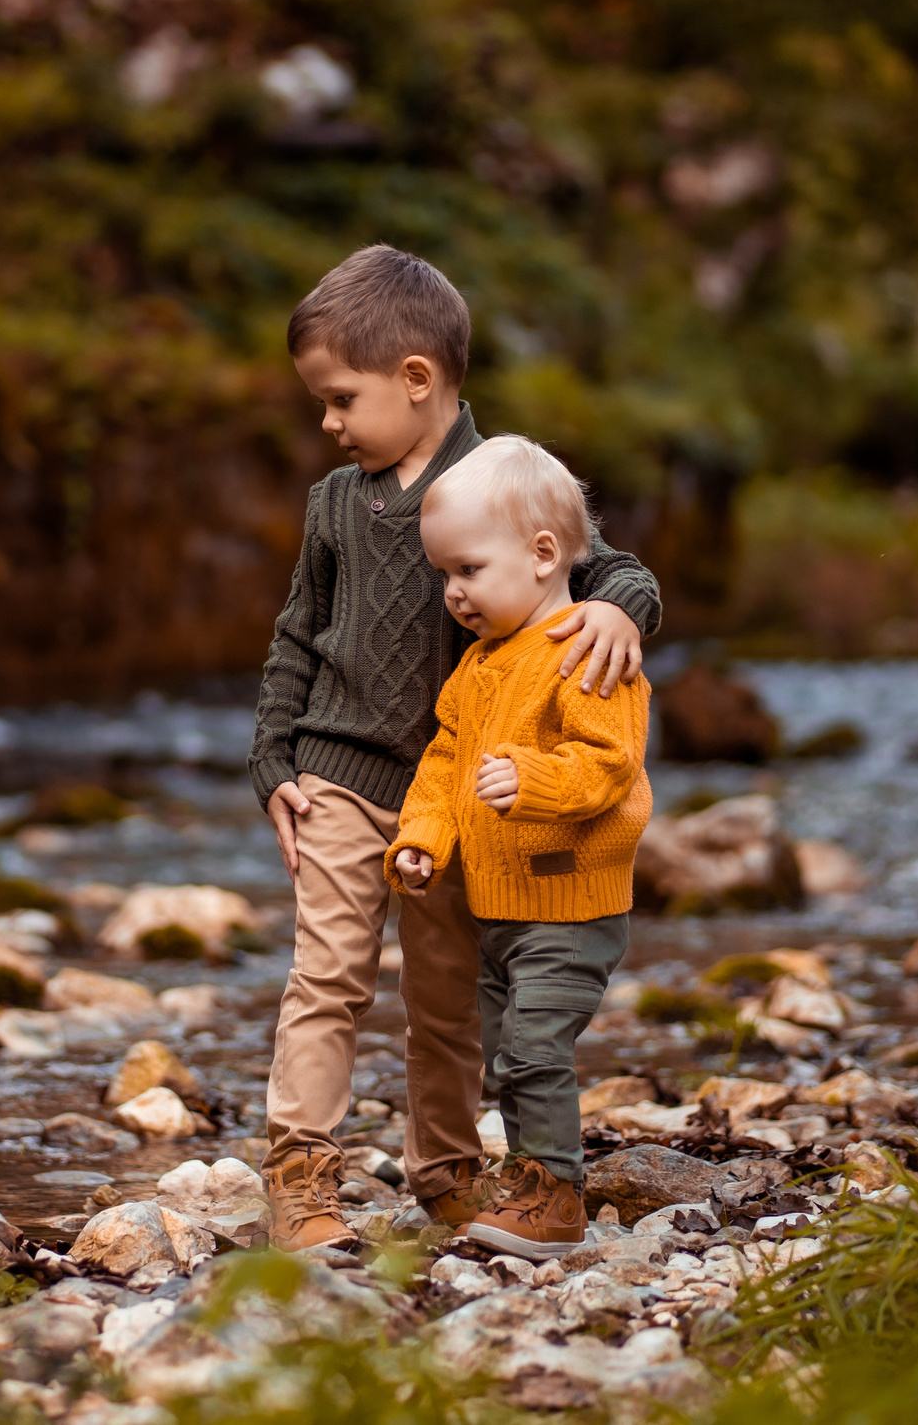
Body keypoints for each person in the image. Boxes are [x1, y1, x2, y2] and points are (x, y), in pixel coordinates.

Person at [248, 244, 662, 1250]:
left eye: (340, 398)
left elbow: (602, 567)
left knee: (443, 1004)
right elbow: (297, 634)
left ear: (416, 379)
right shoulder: (334, 505)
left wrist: (626, 615)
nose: (328, 422)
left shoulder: (505, 482)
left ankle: (445, 1175)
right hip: (338, 774)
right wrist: (273, 765)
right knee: (328, 977)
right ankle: (301, 1173)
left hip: (459, 798)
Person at [388, 434, 652, 1259]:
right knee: (506, 1055)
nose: (453, 592)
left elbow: (610, 764)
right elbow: (441, 764)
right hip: (495, 908)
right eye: (444, 576)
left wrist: (531, 781)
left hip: (569, 906)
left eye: (468, 569)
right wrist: (422, 836)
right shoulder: (476, 668)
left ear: (543, 554)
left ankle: (555, 1199)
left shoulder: (588, 648)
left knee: (535, 1046)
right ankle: (532, 1176)